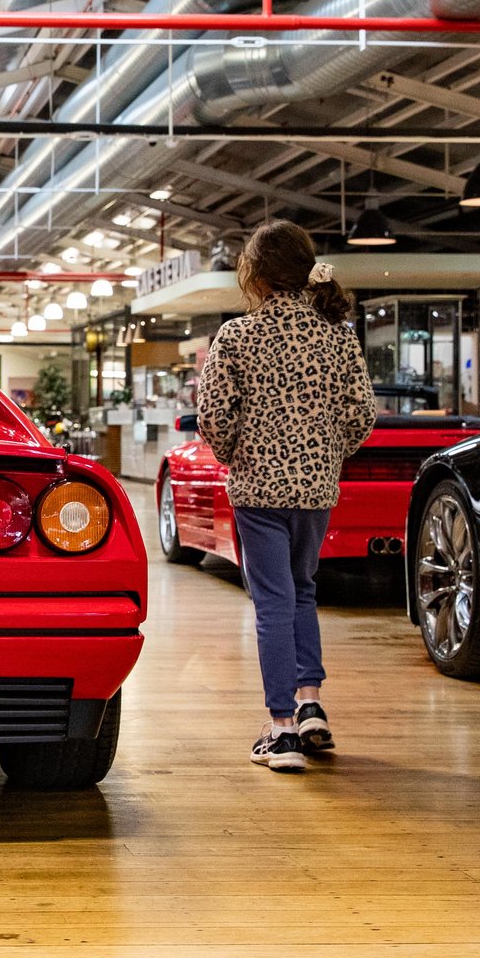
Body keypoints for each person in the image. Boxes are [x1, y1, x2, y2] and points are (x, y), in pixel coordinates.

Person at [198, 220, 376, 774]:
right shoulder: (338, 335)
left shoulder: (237, 336)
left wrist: (237, 454)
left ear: (255, 274)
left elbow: (213, 416)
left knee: (271, 601)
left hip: (258, 489)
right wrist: (325, 453)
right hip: (316, 489)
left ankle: (279, 732)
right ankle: (309, 703)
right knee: (302, 592)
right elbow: (362, 415)